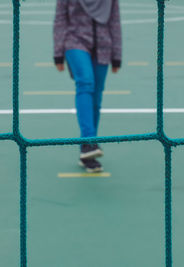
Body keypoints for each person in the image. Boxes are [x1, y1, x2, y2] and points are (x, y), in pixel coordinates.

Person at [53, 0, 122, 172]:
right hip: (75, 41)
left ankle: (87, 152)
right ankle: (89, 143)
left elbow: (114, 21)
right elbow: (60, 19)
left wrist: (117, 54)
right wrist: (58, 52)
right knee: (85, 83)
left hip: (103, 45)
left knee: (96, 98)